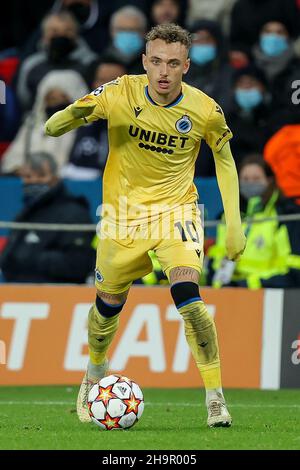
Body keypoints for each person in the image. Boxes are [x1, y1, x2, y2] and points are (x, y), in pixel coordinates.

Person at [45, 23, 246, 428]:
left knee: (191, 301)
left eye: (173, 63)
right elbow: (61, 122)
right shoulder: (119, 90)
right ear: (144, 62)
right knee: (106, 310)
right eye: (156, 61)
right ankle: (94, 372)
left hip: (177, 213)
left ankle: (215, 398)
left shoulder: (205, 109)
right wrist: (65, 119)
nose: (164, 72)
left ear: (186, 66)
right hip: (122, 218)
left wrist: (234, 224)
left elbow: (225, 161)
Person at [207, 155, 300, 288]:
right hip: (229, 292)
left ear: (269, 180)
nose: (250, 183)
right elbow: (218, 258)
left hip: (270, 293)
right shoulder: (228, 215)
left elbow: (294, 268)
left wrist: (250, 283)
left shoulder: (286, 214)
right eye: (245, 179)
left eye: (256, 179)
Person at [0, 152, 95, 283]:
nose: (33, 181)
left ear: (55, 178)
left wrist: (30, 256)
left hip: (58, 296)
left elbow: (78, 263)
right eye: (28, 176)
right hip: (17, 293)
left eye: (41, 176)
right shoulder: (26, 213)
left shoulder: (74, 213)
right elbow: (8, 258)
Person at [1, 70, 88, 175]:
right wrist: (19, 169)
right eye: (51, 99)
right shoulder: (32, 125)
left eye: (63, 99)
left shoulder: (86, 129)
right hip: (30, 181)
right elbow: (11, 160)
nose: (56, 104)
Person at [16, 11, 97, 111]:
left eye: (68, 31)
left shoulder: (91, 63)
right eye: (54, 31)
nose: (61, 35)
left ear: (76, 34)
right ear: (44, 36)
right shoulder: (31, 64)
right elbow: (23, 99)